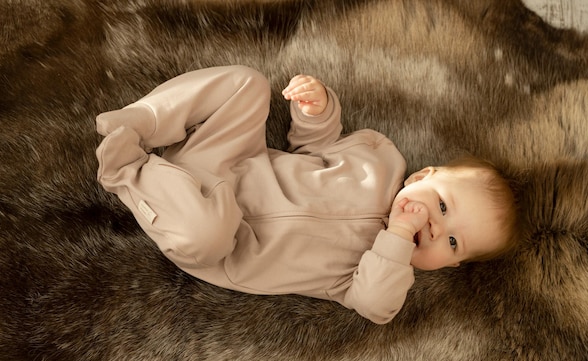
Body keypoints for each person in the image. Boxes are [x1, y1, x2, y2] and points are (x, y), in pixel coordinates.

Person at [95, 65, 516, 324]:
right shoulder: (380, 158)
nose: (436, 226)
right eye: (442, 205)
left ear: (450, 265)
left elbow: (373, 304)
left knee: (205, 233)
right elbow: (315, 149)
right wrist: (316, 110)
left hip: (223, 238)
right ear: (422, 175)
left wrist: (397, 239)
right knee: (249, 84)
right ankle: (143, 121)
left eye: (453, 242)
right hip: (230, 160)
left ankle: (128, 169)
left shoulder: (379, 277)